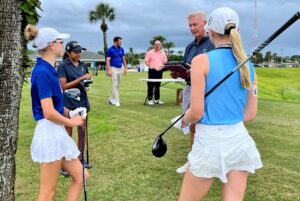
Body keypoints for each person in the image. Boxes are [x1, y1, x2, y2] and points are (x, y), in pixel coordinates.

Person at [178, 7, 262, 201]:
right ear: (237, 31)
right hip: (239, 140)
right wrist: (227, 119)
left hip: (209, 142)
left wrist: (182, 121)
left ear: (210, 31)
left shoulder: (201, 61)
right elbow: (250, 114)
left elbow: (196, 112)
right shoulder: (247, 64)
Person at [25, 24, 89, 201]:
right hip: (49, 133)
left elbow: (56, 106)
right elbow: (48, 112)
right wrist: (72, 123)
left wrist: (71, 113)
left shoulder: (49, 69)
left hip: (56, 132)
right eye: (61, 41)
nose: (63, 44)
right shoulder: (43, 72)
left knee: (82, 176)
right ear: (52, 45)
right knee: (47, 193)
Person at [175, 11, 214, 173]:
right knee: (192, 126)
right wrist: (178, 72)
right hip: (189, 88)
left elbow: (217, 69)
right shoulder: (189, 47)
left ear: (205, 24)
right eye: (190, 25)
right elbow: (186, 67)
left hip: (207, 90)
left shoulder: (213, 44)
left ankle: (208, 161)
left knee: (206, 126)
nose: (192, 28)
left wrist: (198, 71)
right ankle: (193, 161)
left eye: (195, 24)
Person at [57, 41, 91, 169]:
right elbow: (64, 86)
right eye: (76, 52)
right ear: (68, 52)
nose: (79, 54)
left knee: (82, 130)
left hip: (82, 100)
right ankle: (66, 160)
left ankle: (80, 158)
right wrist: (80, 79)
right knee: (68, 131)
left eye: (80, 51)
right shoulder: (62, 66)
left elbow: (84, 81)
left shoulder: (83, 65)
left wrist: (86, 82)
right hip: (69, 102)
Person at [144, 40, 168, 105]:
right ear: (154, 45)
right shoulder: (150, 52)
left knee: (158, 85)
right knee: (150, 85)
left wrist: (164, 67)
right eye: (156, 44)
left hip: (160, 71)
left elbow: (165, 62)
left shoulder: (163, 53)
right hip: (152, 70)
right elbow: (146, 61)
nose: (157, 45)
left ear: (160, 45)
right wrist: (150, 66)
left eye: (158, 44)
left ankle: (157, 99)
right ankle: (150, 99)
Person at [106, 36, 127, 107]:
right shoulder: (110, 50)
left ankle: (111, 99)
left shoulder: (122, 49)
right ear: (115, 42)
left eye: (121, 42)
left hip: (120, 69)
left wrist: (125, 68)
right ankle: (117, 100)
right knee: (114, 84)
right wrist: (108, 70)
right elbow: (108, 60)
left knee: (117, 85)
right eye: (120, 42)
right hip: (113, 68)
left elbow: (123, 59)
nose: (121, 43)